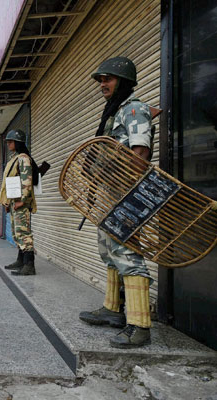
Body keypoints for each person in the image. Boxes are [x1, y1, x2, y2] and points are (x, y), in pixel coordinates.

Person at [78, 56, 154, 348]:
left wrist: (124, 192)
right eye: (100, 79)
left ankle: (140, 325)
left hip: (126, 195)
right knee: (109, 251)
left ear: (123, 81)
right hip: (110, 194)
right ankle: (113, 310)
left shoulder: (134, 109)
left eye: (107, 79)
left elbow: (139, 155)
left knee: (129, 255)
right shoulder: (116, 112)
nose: (102, 84)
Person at [0, 129, 39, 276]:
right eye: (8, 141)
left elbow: (26, 181)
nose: (8, 144)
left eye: (10, 141)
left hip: (21, 203)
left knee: (23, 233)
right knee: (17, 233)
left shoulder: (23, 158)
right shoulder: (14, 158)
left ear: (18, 142)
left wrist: (23, 201)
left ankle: (29, 265)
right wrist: (8, 202)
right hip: (14, 203)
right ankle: (20, 260)